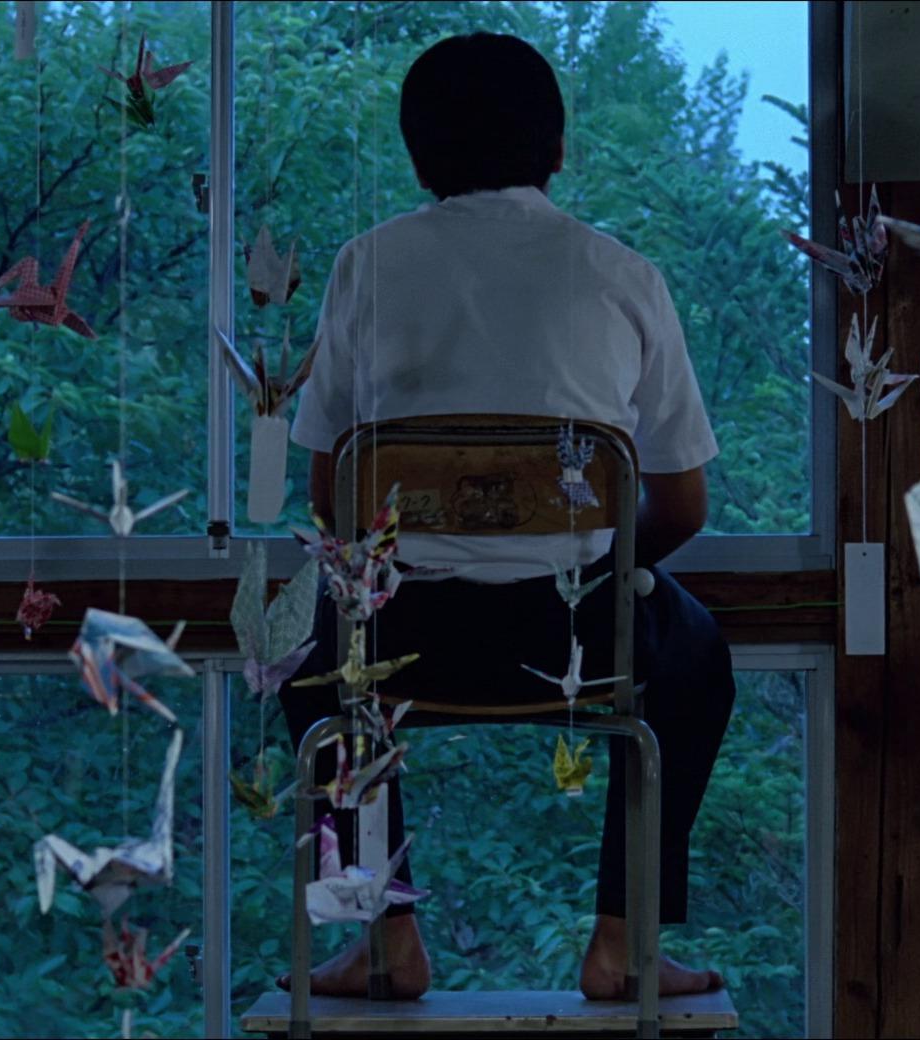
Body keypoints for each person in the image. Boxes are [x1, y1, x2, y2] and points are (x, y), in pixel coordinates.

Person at [278, 31, 735, 1001]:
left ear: (417, 158)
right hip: (581, 634)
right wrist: (601, 564)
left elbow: (330, 499)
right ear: (558, 148)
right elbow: (684, 503)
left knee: (306, 653)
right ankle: (623, 946)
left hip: (398, 635)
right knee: (696, 654)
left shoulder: (366, 265)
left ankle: (385, 938)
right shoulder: (622, 275)